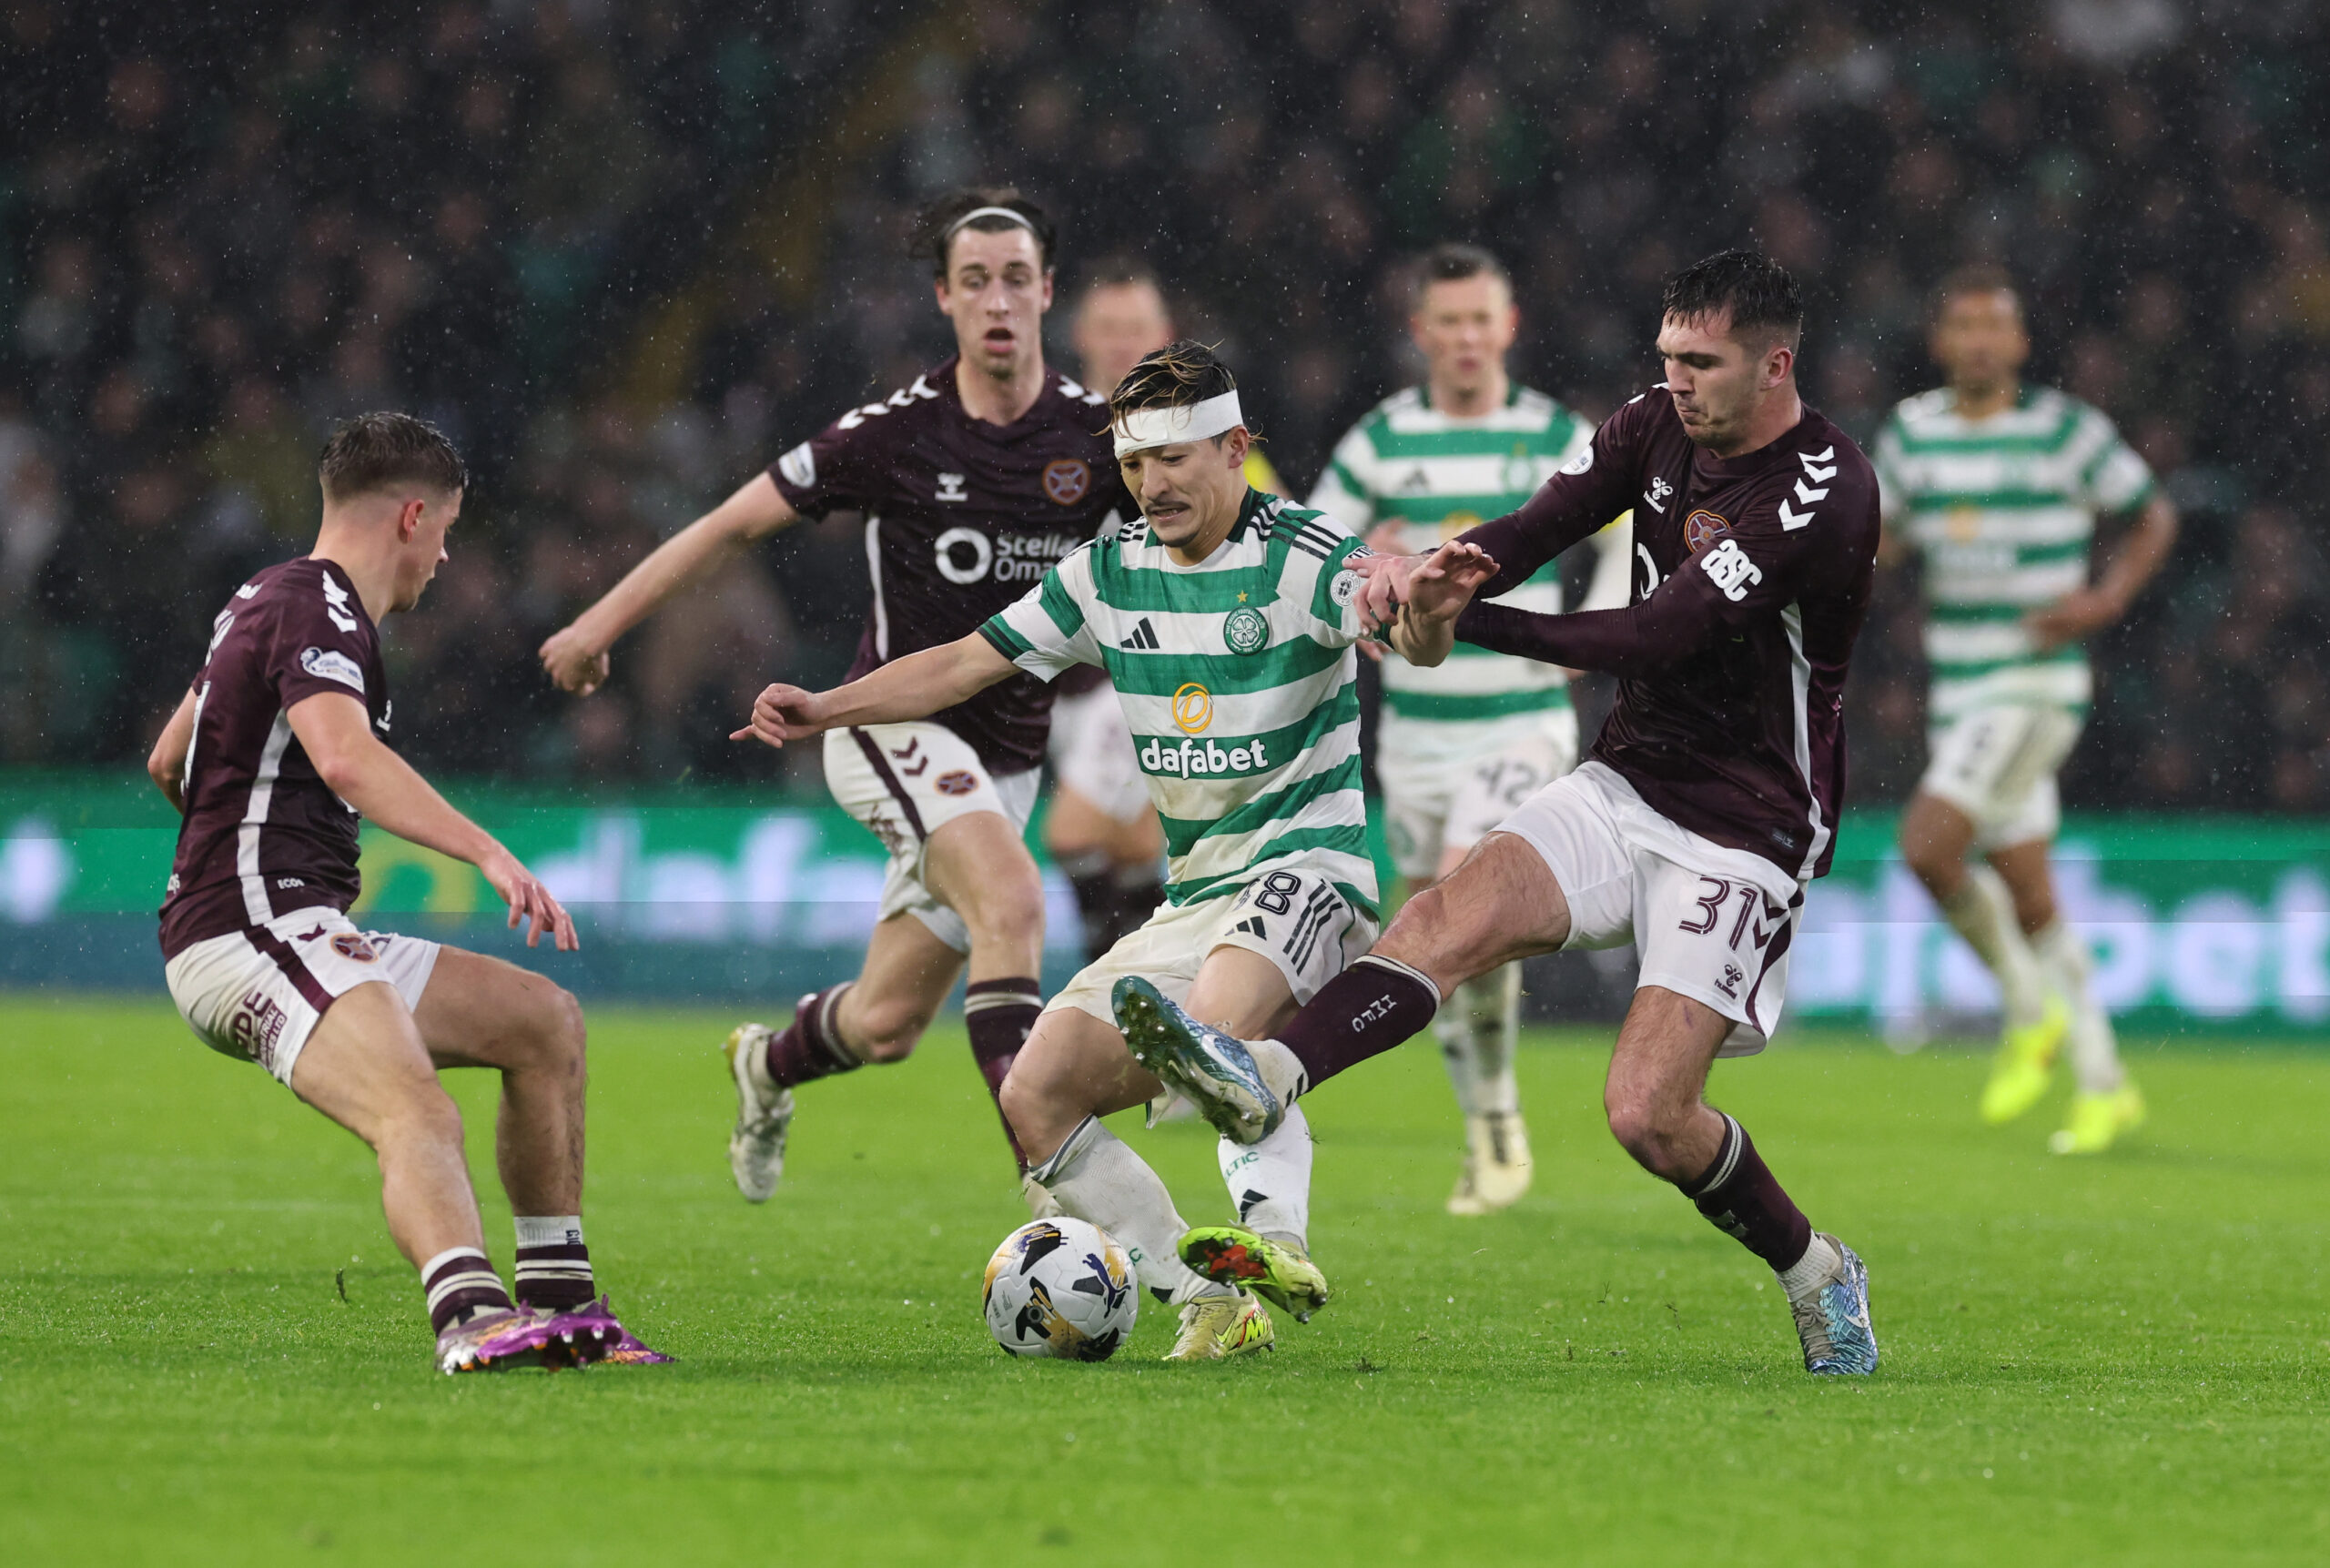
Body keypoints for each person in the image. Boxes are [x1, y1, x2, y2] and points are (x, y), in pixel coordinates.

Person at [1117, 252, 1887, 1377]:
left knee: (1648, 1115)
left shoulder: (1821, 487)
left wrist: (1471, 622)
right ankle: (1264, 1078)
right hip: (1628, 779)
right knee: (1443, 916)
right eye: (1665, 356)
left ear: (1775, 365)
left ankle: (1818, 1269)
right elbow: (1541, 521)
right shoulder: (1649, 424)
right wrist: (1443, 573)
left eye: (1701, 362)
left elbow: (1653, 635)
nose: (1674, 380)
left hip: (1751, 820)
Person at [731, 342, 1494, 1360]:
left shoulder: (1303, 551)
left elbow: (1398, 616)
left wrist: (1428, 613)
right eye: (1135, 464)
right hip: (1194, 896)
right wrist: (828, 705)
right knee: (1036, 1090)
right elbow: (964, 663)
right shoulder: (1106, 572)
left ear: (1235, 449)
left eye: (1177, 458)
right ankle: (1208, 1293)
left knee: (1215, 1035)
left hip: (1308, 871)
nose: (1153, 484)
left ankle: (1276, 1238)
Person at [538, 189, 1132, 1203]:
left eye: (1016, 279)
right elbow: (729, 523)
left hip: (1010, 760)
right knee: (1016, 902)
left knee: (887, 1023)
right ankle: (1057, 1186)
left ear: (1047, 293)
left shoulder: (1096, 438)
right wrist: (598, 625)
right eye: (975, 280)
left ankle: (766, 1065)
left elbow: (1211, 516)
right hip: (884, 723)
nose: (998, 299)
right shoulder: (895, 434)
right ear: (943, 296)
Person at [147, 413, 664, 1375]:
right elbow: (346, 759)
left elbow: (169, 755)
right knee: (416, 1110)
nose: (445, 553)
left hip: (283, 917)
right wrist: (487, 853)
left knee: (541, 1022)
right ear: (413, 515)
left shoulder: (263, 595)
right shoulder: (320, 607)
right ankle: (470, 1316)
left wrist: (229, 823)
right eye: (449, 529)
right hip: (256, 924)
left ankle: (563, 1309)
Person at [1309, 242, 1633, 1216]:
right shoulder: (1382, 437)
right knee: (1434, 929)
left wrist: (1602, 626)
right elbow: (1323, 536)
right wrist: (1356, 596)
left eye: (1477, 319)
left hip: (1520, 719)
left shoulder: (1548, 431)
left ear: (1508, 325)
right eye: (1444, 321)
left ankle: (1495, 1131)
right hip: (1414, 727)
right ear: (1420, 333)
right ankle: (1492, 1123)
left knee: (1458, 888)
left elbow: (1624, 527)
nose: (1462, 338)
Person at [1874, 265, 2177, 1154]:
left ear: (2017, 342)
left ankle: (2021, 1010)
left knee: (1925, 846)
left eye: (1992, 326)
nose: (1977, 340)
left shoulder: (2063, 432)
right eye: (1961, 325)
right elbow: (1883, 542)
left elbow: (2151, 512)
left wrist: (2109, 596)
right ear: (1939, 342)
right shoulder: (1913, 435)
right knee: (2033, 893)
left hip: (2035, 683)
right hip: (1959, 688)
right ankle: (2103, 1082)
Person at [1048, 263, 1285, 962]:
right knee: (1130, 847)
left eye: (1137, 330)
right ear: (1081, 336)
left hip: (1143, 672)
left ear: (1164, 338)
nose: (1123, 344)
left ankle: (1111, 968)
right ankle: (1139, 974)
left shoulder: (1194, 442)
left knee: (1073, 833)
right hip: (1052, 676)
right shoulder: (1047, 430)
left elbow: (1270, 516)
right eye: (1109, 329)